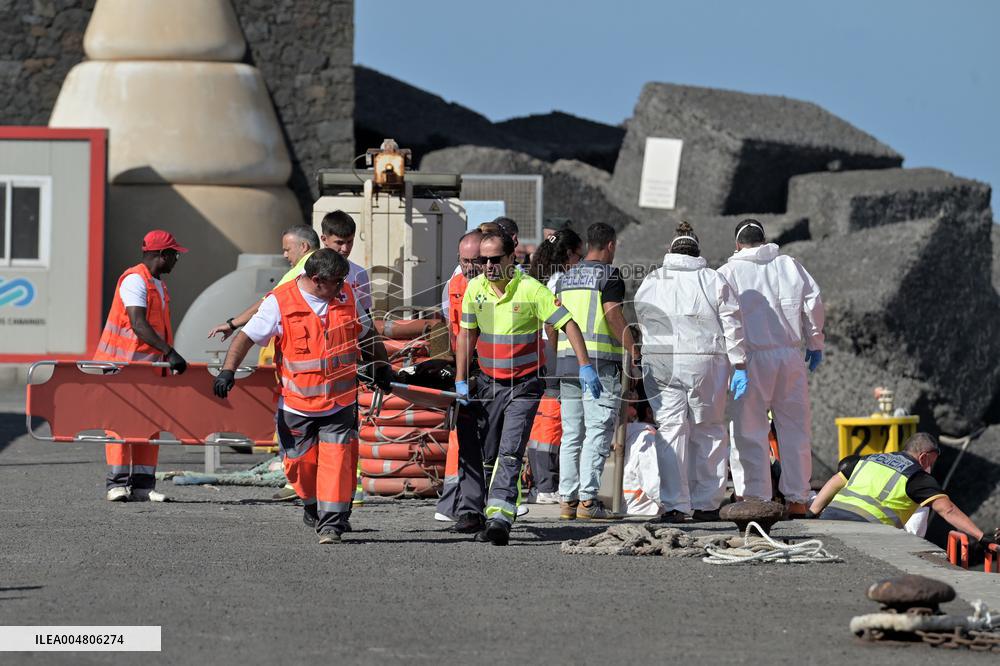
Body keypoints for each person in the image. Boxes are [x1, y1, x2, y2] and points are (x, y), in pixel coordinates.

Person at [211, 249, 391, 544]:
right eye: (336, 281)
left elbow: (367, 333)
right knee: (299, 467)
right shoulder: (279, 302)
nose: (341, 285)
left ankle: (331, 524)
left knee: (337, 462)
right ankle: (310, 504)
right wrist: (227, 371)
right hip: (298, 406)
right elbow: (245, 338)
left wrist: (382, 366)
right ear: (317, 280)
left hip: (340, 403)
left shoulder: (346, 295)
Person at [453, 229, 599, 545]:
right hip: (489, 384)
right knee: (488, 453)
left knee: (510, 451)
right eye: (483, 260)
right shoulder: (474, 289)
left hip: (524, 385)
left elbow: (567, 323)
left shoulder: (532, 290)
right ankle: (480, 512)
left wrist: (585, 365)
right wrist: (461, 379)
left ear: (511, 258)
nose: (487, 266)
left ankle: (500, 519)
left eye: (494, 260)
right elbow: (466, 335)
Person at [634, 222, 748, 522]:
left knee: (670, 430)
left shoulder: (652, 280)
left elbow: (643, 319)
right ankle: (707, 503)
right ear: (698, 251)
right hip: (706, 360)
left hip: (662, 363)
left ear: (670, 251)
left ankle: (674, 505)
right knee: (708, 429)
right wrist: (740, 363)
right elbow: (732, 323)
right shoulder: (713, 279)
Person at [718, 219, 824, 516]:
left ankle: (755, 499)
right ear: (764, 241)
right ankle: (798, 500)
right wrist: (815, 343)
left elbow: (724, 318)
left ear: (737, 244)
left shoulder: (728, 273)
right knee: (795, 429)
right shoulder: (790, 265)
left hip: (749, 359)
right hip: (790, 356)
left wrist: (733, 361)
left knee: (749, 430)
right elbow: (813, 303)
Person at [94, 230, 188, 502]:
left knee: (150, 425)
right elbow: (138, 324)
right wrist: (170, 352)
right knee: (120, 425)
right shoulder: (135, 280)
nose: (176, 260)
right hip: (122, 366)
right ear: (161, 255)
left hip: (148, 368)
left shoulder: (157, 283)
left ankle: (143, 486)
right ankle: (117, 484)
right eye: (174, 255)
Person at [554, 222, 635, 520]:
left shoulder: (566, 277)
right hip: (599, 365)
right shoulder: (609, 275)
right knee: (598, 431)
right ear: (610, 245)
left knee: (572, 433)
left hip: (566, 363)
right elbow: (613, 316)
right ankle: (588, 500)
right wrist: (633, 348)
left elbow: (554, 323)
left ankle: (567, 501)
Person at [808, 433, 1000, 549]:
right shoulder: (918, 477)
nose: (930, 467)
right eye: (931, 463)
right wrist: (981, 537)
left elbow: (835, 481)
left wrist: (813, 511)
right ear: (924, 457)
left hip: (830, 521)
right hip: (866, 532)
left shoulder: (870, 458)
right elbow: (947, 510)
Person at [525, 227, 583, 504]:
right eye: (578, 256)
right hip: (553, 357)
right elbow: (553, 323)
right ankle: (548, 484)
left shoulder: (537, 277)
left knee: (541, 422)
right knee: (553, 422)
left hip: (534, 355)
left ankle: (542, 483)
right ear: (569, 254)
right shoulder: (562, 280)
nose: (580, 263)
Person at [434, 229, 483, 522]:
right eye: (464, 260)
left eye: (474, 260)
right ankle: (454, 503)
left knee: (484, 439)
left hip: (490, 369)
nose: (469, 267)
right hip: (466, 369)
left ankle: (472, 502)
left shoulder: (500, 285)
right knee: (462, 437)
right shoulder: (452, 285)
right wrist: (453, 372)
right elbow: (447, 328)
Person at [207, 224, 320, 341]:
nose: (285, 255)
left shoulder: (299, 271)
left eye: (287, 250)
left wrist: (232, 324)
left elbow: (268, 302)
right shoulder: (328, 262)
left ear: (303, 246)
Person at [320, 210, 373, 314]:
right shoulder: (307, 271)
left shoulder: (360, 273)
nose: (345, 248)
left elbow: (365, 315)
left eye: (349, 241)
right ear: (324, 239)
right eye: (339, 242)